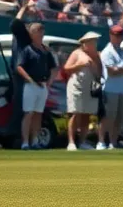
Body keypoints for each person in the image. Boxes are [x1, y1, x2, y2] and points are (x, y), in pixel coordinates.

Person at [14, 21, 57, 149]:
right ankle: (25, 143)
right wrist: (29, 79)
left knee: (38, 114)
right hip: (31, 85)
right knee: (29, 113)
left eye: (41, 31)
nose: (40, 34)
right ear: (31, 34)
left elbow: (54, 68)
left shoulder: (46, 50)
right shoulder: (27, 50)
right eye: (37, 31)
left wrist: (50, 81)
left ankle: (35, 141)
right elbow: (19, 67)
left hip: (43, 86)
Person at [99, 25, 123, 150]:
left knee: (120, 118)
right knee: (108, 117)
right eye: (115, 35)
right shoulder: (107, 52)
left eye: (120, 35)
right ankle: (101, 142)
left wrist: (121, 69)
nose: (118, 37)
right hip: (110, 89)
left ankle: (113, 143)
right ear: (110, 35)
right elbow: (112, 72)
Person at [64, 32, 102, 151]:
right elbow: (66, 68)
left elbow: (99, 74)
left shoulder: (97, 56)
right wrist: (79, 65)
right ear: (84, 43)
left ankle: (82, 141)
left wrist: (95, 64)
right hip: (76, 87)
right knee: (75, 113)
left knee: (86, 115)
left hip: (89, 89)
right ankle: (71, 142)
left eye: (95, 41)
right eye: (91, 42)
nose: (94, 44)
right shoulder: (76, 53)